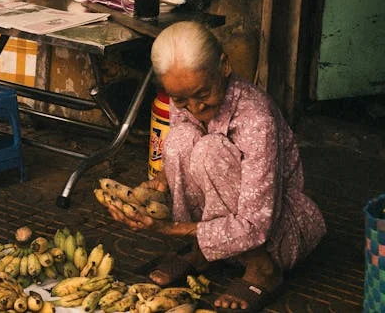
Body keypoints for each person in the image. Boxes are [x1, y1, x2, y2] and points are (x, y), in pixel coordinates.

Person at [106, 21, 325, 312]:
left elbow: (257, 223)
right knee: (180, 140)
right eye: (181, 100)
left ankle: (262, 269)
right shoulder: (184, 94)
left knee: (211, 150)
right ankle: (204, 253)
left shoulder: (256, 117)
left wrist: (172, 228)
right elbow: (182, 140)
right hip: (220, 226)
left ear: (224, 65)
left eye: (203, 95)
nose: (195, 107)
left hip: (274, 232)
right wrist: (161, 180)